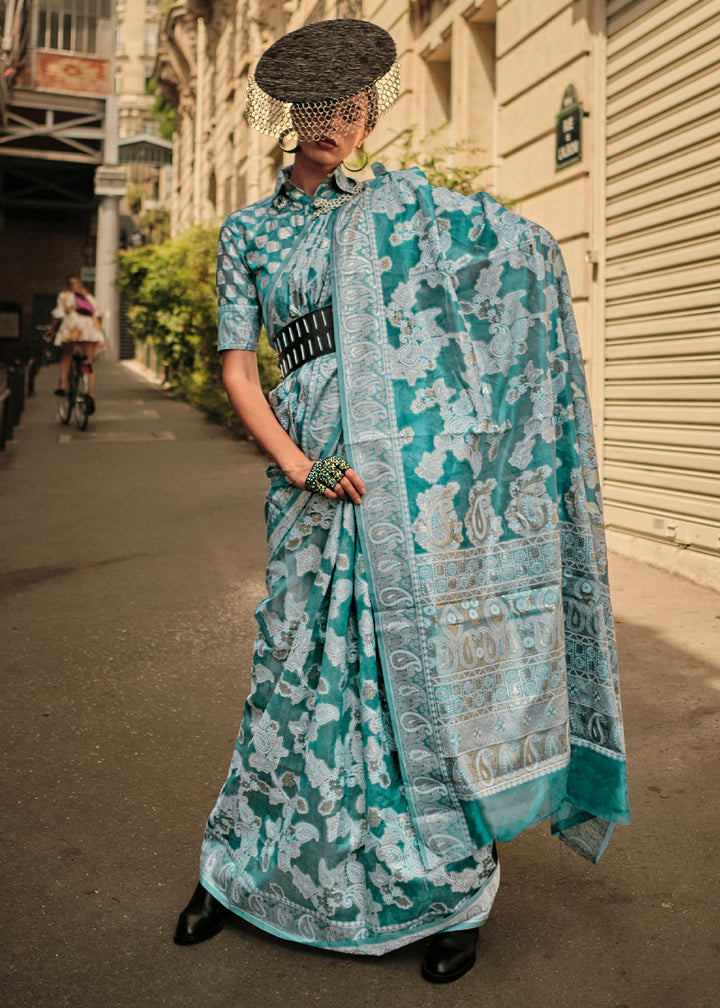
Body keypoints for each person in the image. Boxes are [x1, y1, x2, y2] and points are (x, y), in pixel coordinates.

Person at [174, 19, 630, 983]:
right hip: (307, 491)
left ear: (368, 112)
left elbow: (503, 261)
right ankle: (240, 872)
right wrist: (300, 466)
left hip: (405, 493)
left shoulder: (399, 211)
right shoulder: (251, 232)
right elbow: (240, 369)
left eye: (351, 106)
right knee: (293, 683)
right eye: (316, 107)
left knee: (405, 686)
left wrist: (540, 257)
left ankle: (456, 892)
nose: (334, 123)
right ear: (286, 117)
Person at [51, 275, 104, 413]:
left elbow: (58, 314)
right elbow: (99, 314)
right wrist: (98, 328)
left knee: (67, 355)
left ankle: (62, 385)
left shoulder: (65, 295)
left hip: (73, 327)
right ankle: (90, 393)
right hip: (90, 328)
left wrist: (51, 329)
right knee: (88, 360)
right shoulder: (88, 297)